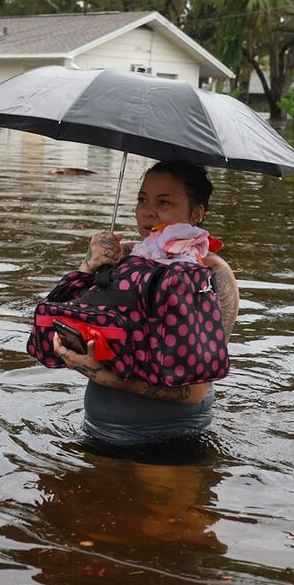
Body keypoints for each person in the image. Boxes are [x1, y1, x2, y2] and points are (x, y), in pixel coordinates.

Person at [51, 160, 239, 444]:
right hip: (98, 430)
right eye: (142, 199)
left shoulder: (211, 273)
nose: (147, 212)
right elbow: (62, 317)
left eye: (163, 202)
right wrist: (89, 266)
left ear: (196, 212)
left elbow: (195, 391)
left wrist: (103, 377)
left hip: (170, 440)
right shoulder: (122, 257)